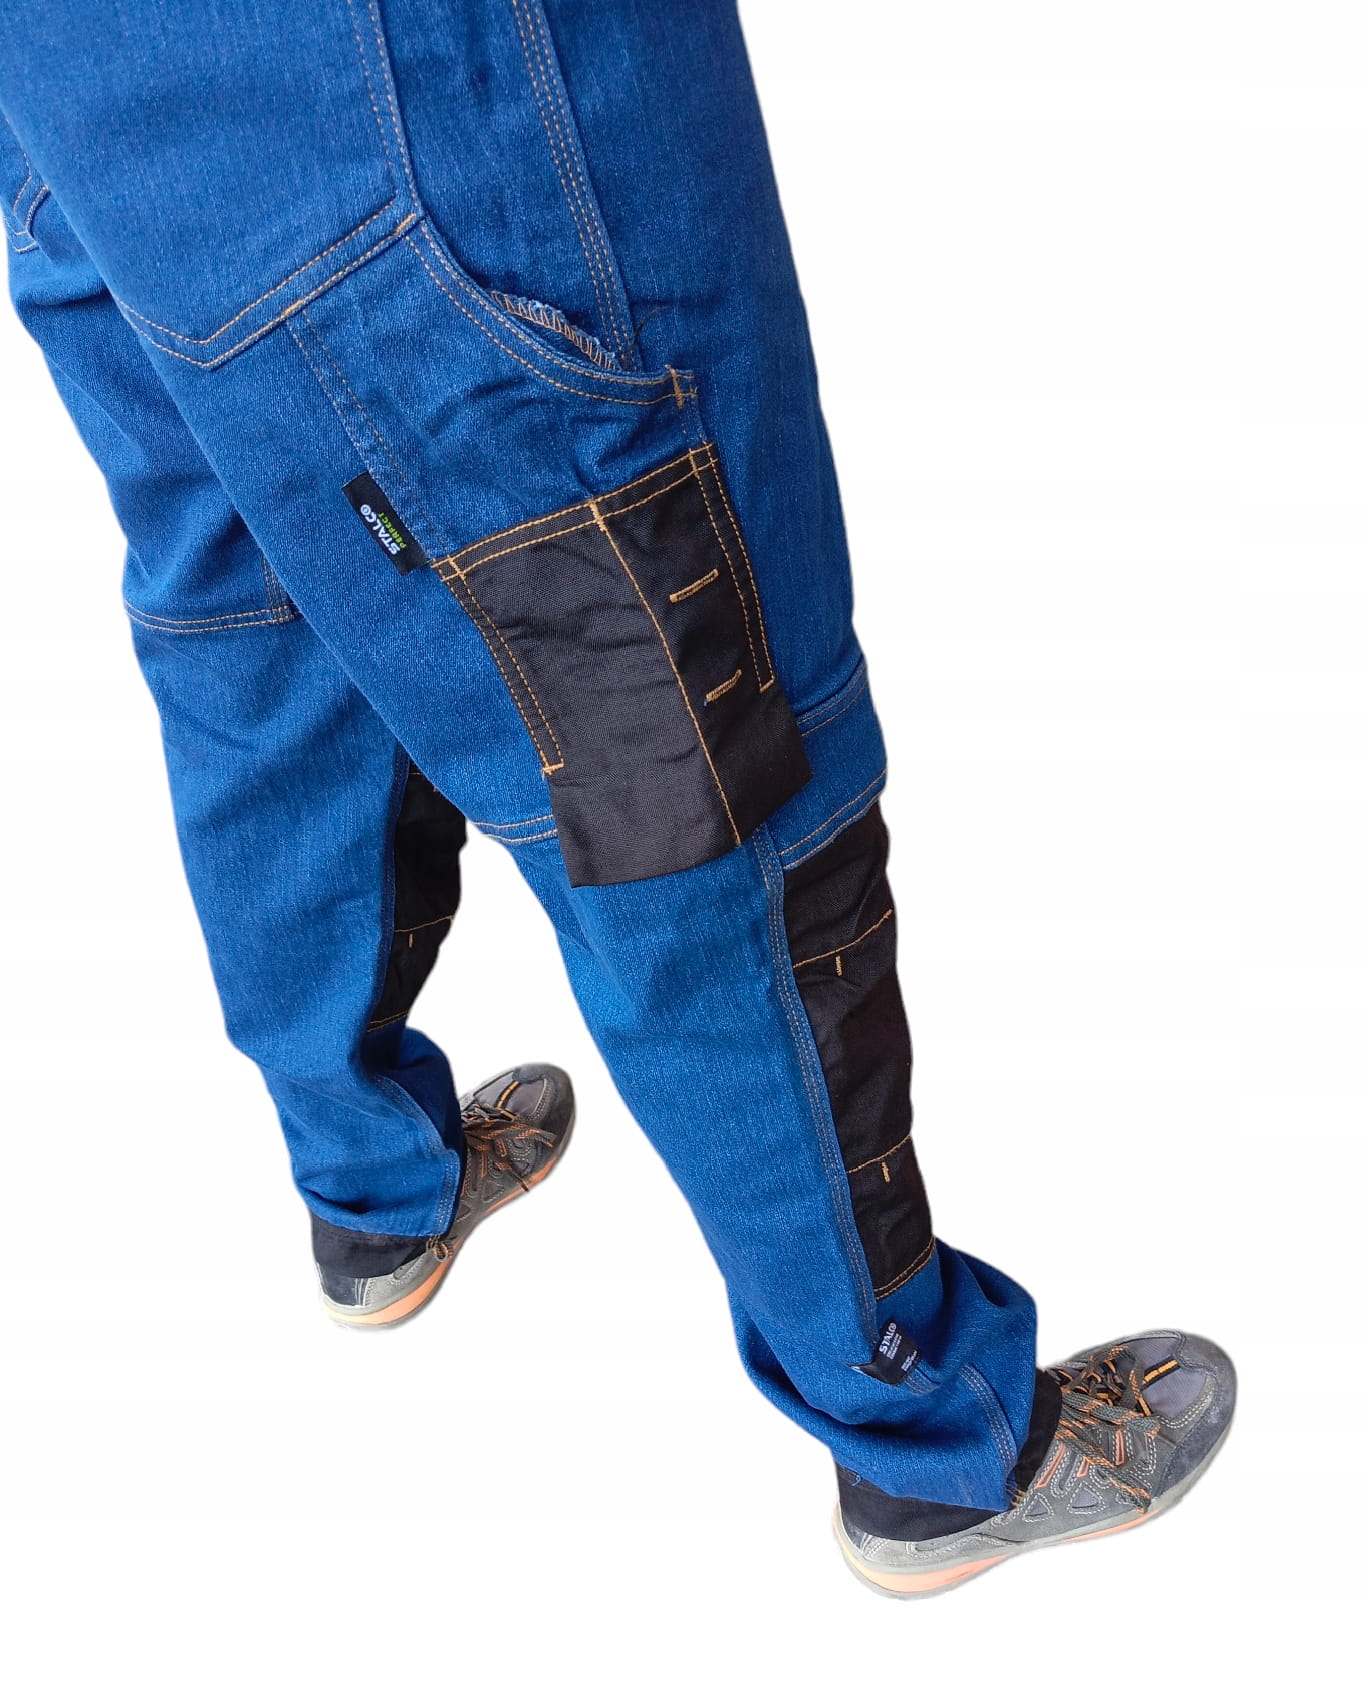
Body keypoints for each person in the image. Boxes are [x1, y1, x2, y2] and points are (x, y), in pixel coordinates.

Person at [0, 0, 1232, 1595]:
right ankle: (925, 1438)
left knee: (259, 614)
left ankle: (372, 1196)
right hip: (408, 80)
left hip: (77, 94)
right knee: (679, 716)